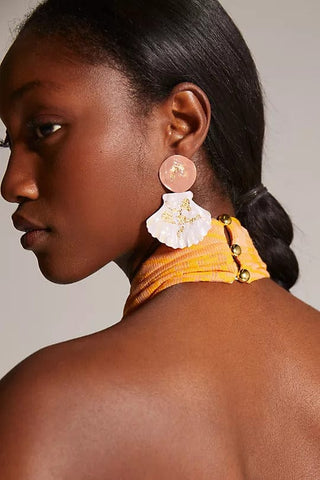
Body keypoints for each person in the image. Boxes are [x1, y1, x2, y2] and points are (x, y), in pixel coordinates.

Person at [0, 0, 319, 478]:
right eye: (8, 142)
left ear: (182, 123)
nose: (12, 183)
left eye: (45, 129)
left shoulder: (43, 408)